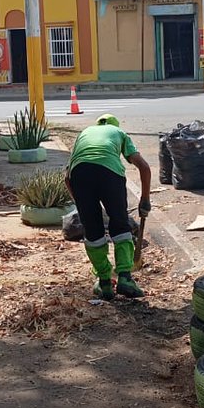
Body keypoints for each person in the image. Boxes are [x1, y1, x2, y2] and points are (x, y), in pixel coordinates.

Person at [66, 113, 152, 300]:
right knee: (120, 224)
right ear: (115, 125)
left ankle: (104, 281)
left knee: (93, 230)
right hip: (110, 172)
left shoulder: (85, 133)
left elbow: (67, 177)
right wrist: (145, 200)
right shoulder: (119, 133)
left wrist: (83, 203)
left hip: (79, 174)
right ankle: (125, 278)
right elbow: (144, 167)